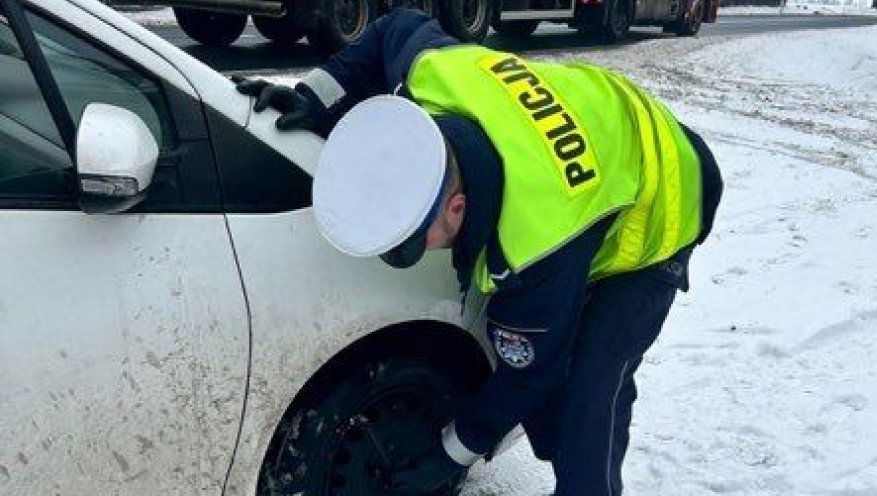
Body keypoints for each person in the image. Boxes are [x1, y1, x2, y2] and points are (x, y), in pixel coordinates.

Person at [236, 8, 723, 495]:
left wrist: (449, 453)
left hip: (668, 191)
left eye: (411, 245)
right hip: (601, 136)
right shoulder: (435, 70)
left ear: (458, 206)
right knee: (560, 381)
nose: (411, 257)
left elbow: (529, 374)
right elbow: (392, 26)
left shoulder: (536, 242)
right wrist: (313, 98)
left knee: (588, 389)